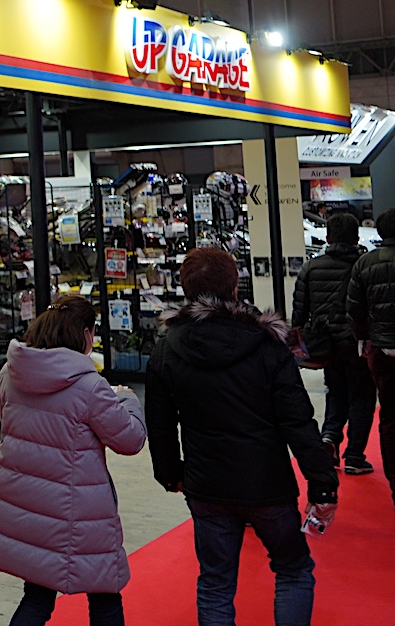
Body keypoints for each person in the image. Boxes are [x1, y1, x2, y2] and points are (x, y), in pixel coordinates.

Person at [146, 247, 338, 626]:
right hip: (267, 483)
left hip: (206, 483)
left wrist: (170, 474)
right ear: (235, 287)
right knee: (293, 569)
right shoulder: (266, 344)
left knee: (215, 583)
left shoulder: (168, 348)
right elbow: (297, 421)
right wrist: (322, 485)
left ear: (186, 289)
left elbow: (160, 423)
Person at [0, 295, 145, 626]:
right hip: (80, 510)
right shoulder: (90, 387)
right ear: (85, 333)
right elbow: (130, 440)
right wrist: (126, 398)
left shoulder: (10, 373)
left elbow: (7, 424)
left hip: (26, 502)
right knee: (105, 595)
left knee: (37, 596)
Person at [292, 212, 374, 475]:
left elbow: (299, 312)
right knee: (362, 396)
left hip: (326, 344)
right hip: (357, 342)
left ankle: (329, 437)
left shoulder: (310, 268)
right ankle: (355, 456)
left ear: (327, 238)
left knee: (335, 391)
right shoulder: (364, 266)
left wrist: (300, 344)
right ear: (356, 238)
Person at [348, 206, 395, 503]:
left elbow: (355, 309)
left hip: (382, 350)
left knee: (390, 417)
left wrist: (364, 339)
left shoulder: (365, 263)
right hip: (380, 346)